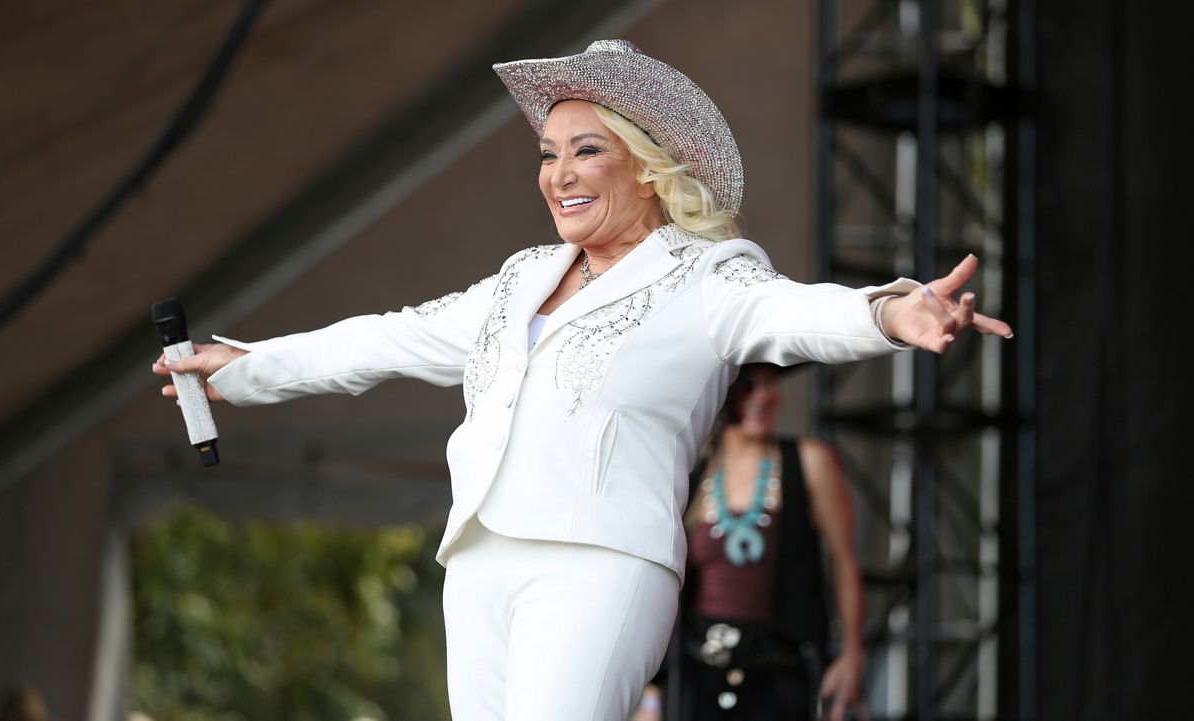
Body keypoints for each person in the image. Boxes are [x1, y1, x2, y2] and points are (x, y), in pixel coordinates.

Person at [152, 39, 1012, 721]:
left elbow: (797, 313)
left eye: (585, 150)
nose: (558, 174)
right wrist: (249, 368)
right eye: (548, 152)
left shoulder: (708, 277)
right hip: (480, 558)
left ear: (647, 164)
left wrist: (893, 311)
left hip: (600, 564)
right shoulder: (520, 277)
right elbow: (391, 338)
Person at [637, 364, 867, 721]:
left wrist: (852, 653)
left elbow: (843, 560)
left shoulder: (808, 461)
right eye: (749, 384)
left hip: (779, 674)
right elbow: (661, 587)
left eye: (770, 382)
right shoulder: (692, 474)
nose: (762, 395)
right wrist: (653, 693)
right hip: (698, 675)